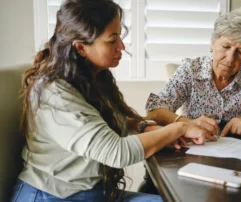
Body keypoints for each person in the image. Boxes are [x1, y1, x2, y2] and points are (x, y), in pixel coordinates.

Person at [10, 0, 216, 202]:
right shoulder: (54, 92)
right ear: (81, 47)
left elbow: (112, 121)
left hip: (95, 193)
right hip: (52, 196)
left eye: (120, 36)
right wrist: (178, 129)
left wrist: (146, 127)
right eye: (112, 39)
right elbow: (116, 152)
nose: (121, 46)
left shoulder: (92, 77)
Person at [145, 6, 241, 137]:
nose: (230, 58)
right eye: (226, 47)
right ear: (212, 43)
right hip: (195, 151)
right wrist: (188, 122)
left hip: (239, 158)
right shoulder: (191, 71)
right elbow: (154, 111)